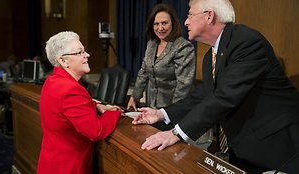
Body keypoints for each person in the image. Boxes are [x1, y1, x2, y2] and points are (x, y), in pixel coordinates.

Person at [132, 0, 299, 173]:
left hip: (277, 149)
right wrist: (161, 113)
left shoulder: (246, 41)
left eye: (190, 14)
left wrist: (175, 133)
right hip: (244, 149)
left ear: (209, 16)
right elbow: (203, 95)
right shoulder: (209, 57)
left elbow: (225, 96)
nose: (186, 21)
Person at [37, 31, 121, 174]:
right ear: (63, 61)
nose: (87, 55)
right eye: (79, 52)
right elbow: (96, 131)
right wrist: (115, 112)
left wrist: (96, 105)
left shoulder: (52, 81)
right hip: (68, 167)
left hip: (51, 163)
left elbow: (67, 107)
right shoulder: (71, 90)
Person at [127, 3, 196, 111]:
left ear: (173, 23)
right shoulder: (151, 44)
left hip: (175, 109)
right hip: (152, 107)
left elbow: (183, 85)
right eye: (156, 24)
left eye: (164, 23)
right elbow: (143, 72)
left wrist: (172, 113)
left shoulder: (183, 47)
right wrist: (134, 97)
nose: (160, 28)